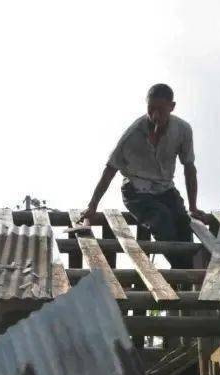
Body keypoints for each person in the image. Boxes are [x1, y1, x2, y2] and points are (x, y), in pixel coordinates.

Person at [81, 83, 208, 269]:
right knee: (161, 218)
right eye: (151, 109)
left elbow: (189, 168)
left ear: (172, 107)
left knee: (182, 221)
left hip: (165, 189)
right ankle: (188, 268)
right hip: (136, 191)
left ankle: (187, 271)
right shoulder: (133, 134)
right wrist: (92, 205)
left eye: (161, 110)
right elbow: (110, 170)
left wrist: (193, 206)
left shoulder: (182, 130)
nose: (155, 115)